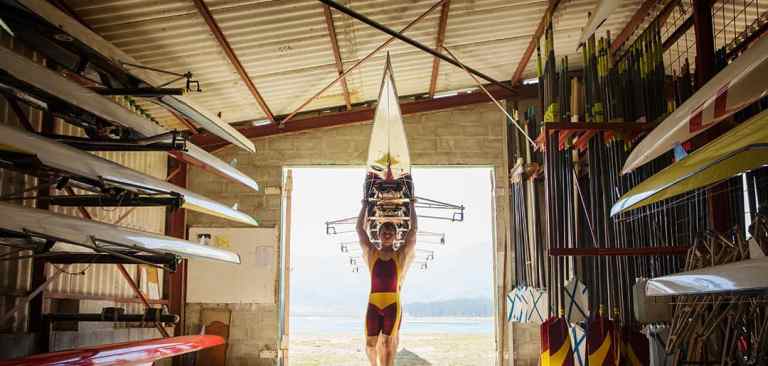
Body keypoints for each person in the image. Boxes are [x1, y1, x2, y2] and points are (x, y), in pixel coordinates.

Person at [356, 199, 417, 366]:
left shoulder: (400, 254)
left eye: (391, 232)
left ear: (397, 236)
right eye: (385, 231)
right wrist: (364, 206)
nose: (388, 234)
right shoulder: (371, 253)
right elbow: (360, 230)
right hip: (373, 303)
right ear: (379, 235)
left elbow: (413, 231)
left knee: (388, 344)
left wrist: (412, 206)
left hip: (392, 304)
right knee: (370, 345)